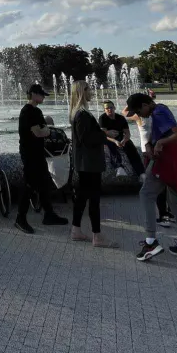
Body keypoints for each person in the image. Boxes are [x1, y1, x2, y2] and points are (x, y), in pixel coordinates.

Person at [125, 93, 177, 264]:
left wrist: (159, 144)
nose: (139, 115)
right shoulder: (161, 108)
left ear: (145, 105)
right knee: (176, 203)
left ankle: (151, 242)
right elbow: (164, 132)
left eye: (138, 111)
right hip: (176, 160)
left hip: (166, 161)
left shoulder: (157, 113)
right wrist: (151, 143)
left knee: (146, 194)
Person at [68, 81, 118, 248]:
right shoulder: (82, 114)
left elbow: (85, 135)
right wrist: (105, 135)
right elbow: (86, 139)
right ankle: (97, 236)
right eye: (88, 89)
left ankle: (76, 230)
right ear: (82, 92)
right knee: (94, 198)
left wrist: (102, 132)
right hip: (89, 163)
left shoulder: (78, 113)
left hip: (85, 162)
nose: (92, 91)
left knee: (82, 196)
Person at [14, 83, 68, 234]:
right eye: (42, 94)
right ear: (33, 94)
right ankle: (20, 219)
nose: (44, 97)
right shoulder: (28, 111)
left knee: (44, 183)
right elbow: (40, 132)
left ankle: (49, 215)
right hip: (29, 153)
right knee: (28, 185)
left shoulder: (37, 111)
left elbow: (43, 130)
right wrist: (45, 131)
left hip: (38, 152)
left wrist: (44, 130)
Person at [124, 97, 174, 227]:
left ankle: (163, 216)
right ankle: (167, 213)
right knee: (163, 184)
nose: (138, 113)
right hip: (153, 149)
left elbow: (125, 113)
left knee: (155, 186)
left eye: (138, 110)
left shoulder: (150, 115)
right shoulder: (155, 111)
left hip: (152, 150)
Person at [98, 100, 146, 178]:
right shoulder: (102, 118)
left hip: (120, 137)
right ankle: (119, 167)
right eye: (107, 108)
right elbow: (103, 135)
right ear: (104, 110)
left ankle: (141, 172)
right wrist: (115, 141)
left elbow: (127, 133)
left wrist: (124, 140)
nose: (109, 109)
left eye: (111, 107)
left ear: (114, 108)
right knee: (111, 146)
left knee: (130, 146)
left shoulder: (120, 118)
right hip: (109, 139)